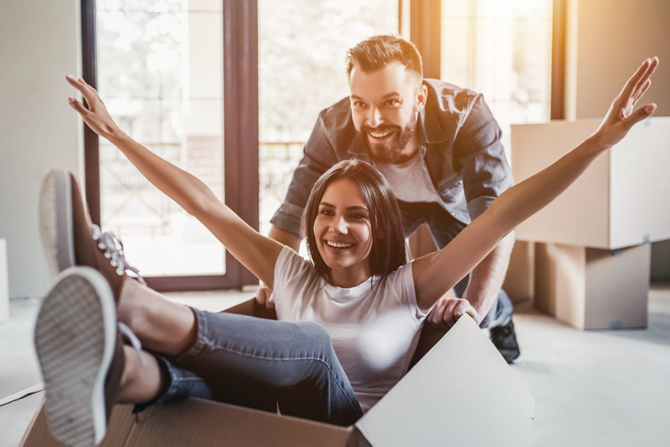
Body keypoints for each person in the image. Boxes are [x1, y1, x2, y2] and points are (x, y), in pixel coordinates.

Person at [35, 56, 657, 447]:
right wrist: (117, 136)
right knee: (198, 375)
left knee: (310, 345)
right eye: (326, 213)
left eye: (356, 215)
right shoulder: (291, 273)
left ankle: (128, 300)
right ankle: (121, 370)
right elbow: (206, 205)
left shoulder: (412, 286)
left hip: (350, 428)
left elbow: (508, 208)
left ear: (380, 224)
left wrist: (598, 142)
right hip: (277, 416)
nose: (337, 227)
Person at [261, 35, 520, 362]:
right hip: (388, 205)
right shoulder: (332, 127)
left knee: (476, 289)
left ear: (420, 96)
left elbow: (498, 220)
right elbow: (293, 212)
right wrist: (273, 284)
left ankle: (503, 315)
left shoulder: (468, 116)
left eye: (391, 102)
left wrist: (473, 317)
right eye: (360, 104)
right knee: (374, 274)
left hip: (451, 203)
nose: (374, 120)